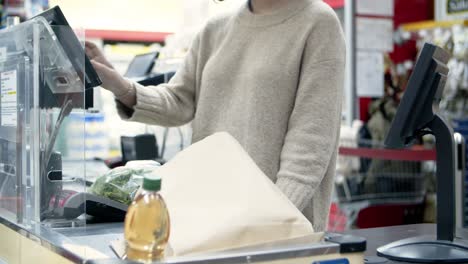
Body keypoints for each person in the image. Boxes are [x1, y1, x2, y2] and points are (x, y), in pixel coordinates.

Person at [85, 0, 345, 231]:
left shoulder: (317, 22)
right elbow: (179, 100)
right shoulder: (216, 28)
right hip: (207, 215)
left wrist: (272, 219)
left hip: (275, 226)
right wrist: (119, 84)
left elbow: (310, 141)